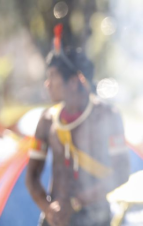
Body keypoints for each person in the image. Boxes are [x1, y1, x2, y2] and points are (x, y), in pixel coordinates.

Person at [26, 24, 130, 226]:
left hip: (96, 218)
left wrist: (75, 203)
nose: (47, 84)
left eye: (52, 77)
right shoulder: (47, 120)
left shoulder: (107, 115)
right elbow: (31, 175)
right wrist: (48, 209)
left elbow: (121, 172)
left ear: (73, 81)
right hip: (55, 218)